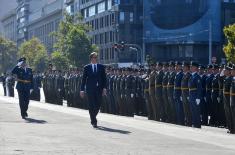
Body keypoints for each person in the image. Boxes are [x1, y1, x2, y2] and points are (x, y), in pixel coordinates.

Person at [80, 52, 107, 128]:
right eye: (93, 57)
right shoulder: (87, 67)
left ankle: (93, 117)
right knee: (91, 105)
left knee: (98, 105)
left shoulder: (101, 67)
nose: (95, 59)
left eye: (96, 57)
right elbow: (83, 79)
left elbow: (104, 79)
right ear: (91, 58)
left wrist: (104, 88)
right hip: (90, 89)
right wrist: (82, 90)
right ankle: (94, 121)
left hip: (99, 89)